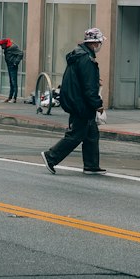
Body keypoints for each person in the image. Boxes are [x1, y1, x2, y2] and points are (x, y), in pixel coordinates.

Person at [42, 27, 106, 175]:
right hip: (81, 104)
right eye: (99, 43)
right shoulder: (86, 59)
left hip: (76, 101)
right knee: (76, 135)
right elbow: (89, 88)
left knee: (91, 134)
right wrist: (98, 105)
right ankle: (51, 156)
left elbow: (81, 79)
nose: (100, 46)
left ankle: (91, 165)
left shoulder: (78, 56)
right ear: (94, 43)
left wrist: (95, 80)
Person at [0, 37, 24, 103]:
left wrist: (15, 62)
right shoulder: (7, 47)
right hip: (9, 66)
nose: (1, 47)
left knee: (14, 82)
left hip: (13, 66)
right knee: (11, 82)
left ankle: (14, 98)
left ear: (5, 44)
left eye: (1, 45)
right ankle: (10, 97)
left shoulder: (12, 47)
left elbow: (21, 53)